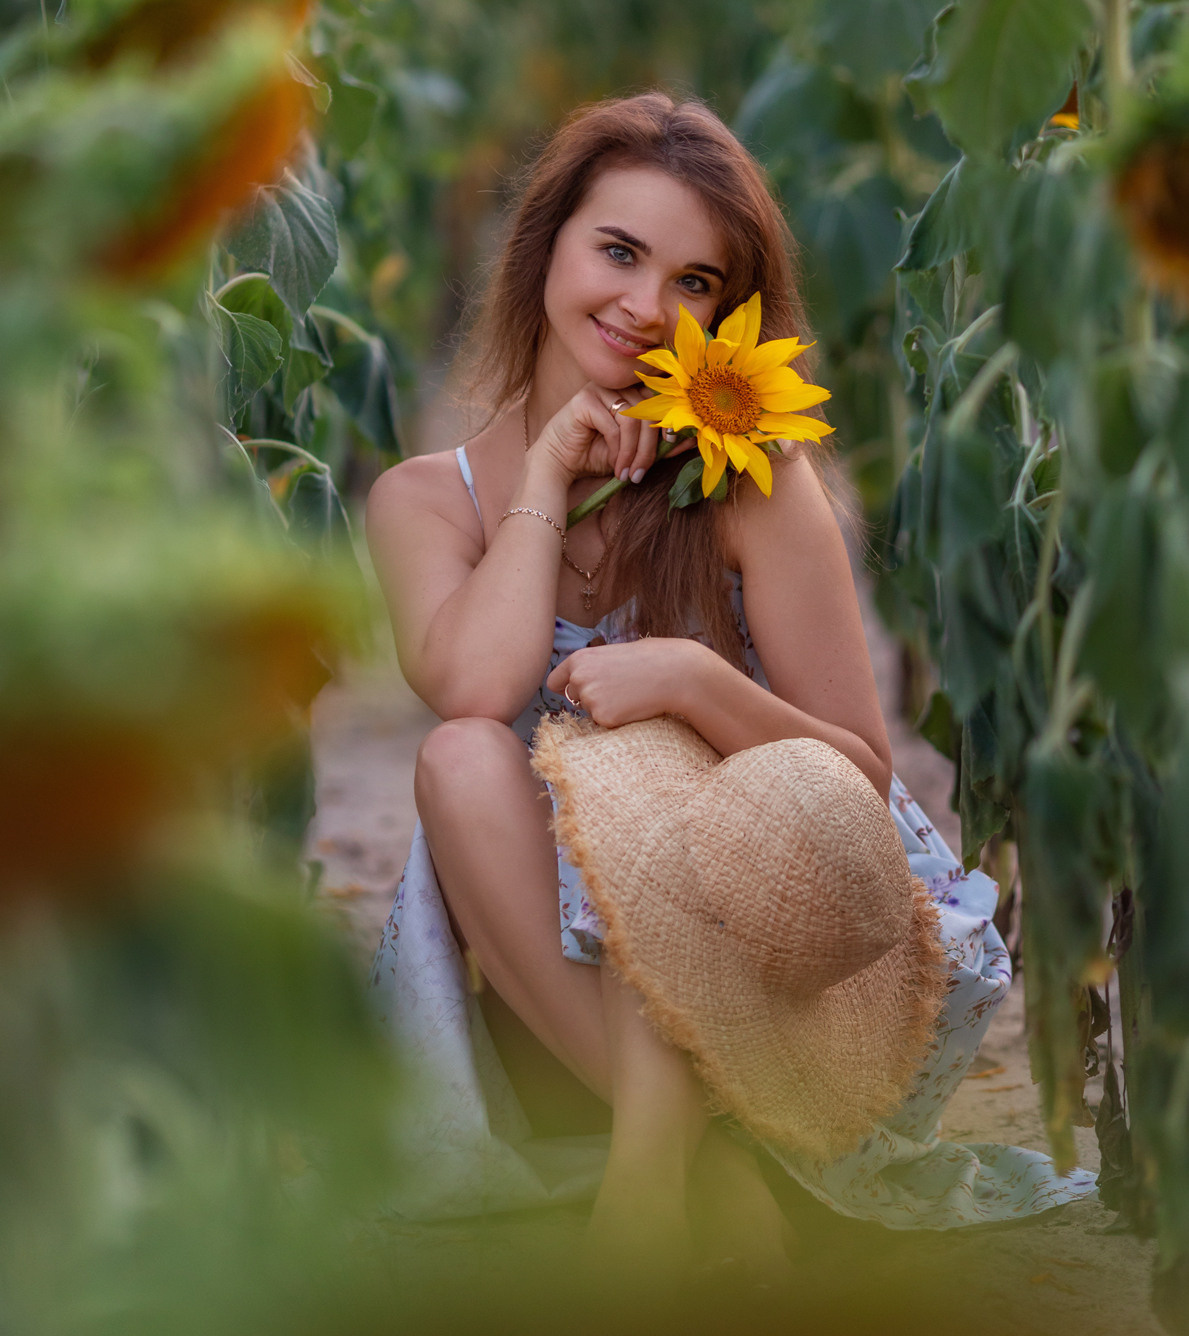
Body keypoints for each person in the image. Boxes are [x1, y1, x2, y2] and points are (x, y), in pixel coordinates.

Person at [365, 92, 1096, 1276]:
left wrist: (695, 679)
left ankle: (653, 1178)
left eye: (693, 280)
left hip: (769, 983)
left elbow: (854, 773)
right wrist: (545, 470)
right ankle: (704, 1163)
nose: (645, 306)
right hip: (552, 990)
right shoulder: (422, 498)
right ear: (546, 243)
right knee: (461, 755)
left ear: (728, 309)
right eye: (617, 251)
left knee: (656, 776)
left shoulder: (752, 479)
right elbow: (476, 686)